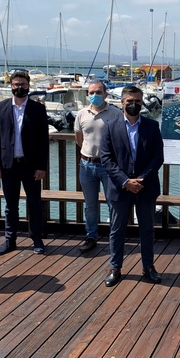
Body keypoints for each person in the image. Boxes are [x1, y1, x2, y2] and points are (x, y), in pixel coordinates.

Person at [101, 85, 163, 287]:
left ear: (142, 101)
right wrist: (126, 181)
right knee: (117, 229)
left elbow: (157, 158)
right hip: (120, 188)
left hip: (146, 187)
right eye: (130, 101)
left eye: (137, 101)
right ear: (122, 103)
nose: (134, 104)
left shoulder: (152, 126)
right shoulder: (110, 126)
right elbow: (107, 159)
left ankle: (148, 266)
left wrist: (141, 180)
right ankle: (115, 267)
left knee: (147, 229)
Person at [0, 70, 49, 256]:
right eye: (16, 84)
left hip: (30, 165)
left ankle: (37, 238)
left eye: (22, 84)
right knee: (10, 205)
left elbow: (43, 140)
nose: (19, 87)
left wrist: (42, 166)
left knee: (34, 203)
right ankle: (10, 240)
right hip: (8, 165)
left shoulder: (37, 109)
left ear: (28, 86)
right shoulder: (1, 108)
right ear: (11, 86)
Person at [74, 80, 122, 253]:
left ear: (106, 94)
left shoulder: (116, 113)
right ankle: (91, 236)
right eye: (91, 92)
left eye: (98, 92)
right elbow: (79, 138)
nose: (95, 95)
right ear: (88, 94)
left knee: (113, 203)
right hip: (86, 165)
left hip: (108, 166)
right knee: (90, 205)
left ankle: (114, 238)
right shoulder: (81, 114)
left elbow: (120, 139)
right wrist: (87, 153)